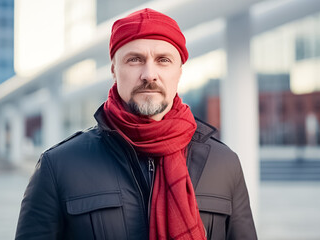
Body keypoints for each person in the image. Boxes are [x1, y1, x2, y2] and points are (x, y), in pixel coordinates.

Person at [15, 8, 257, 240]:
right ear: (113, 70)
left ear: (180, 71)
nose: (149, 74)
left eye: (163, 60)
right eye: (134, 60)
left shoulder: (225, 164)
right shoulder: (58, 166)